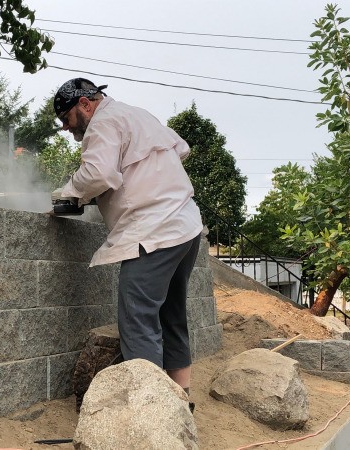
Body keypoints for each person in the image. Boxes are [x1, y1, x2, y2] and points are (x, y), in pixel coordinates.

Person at [53, 78, 204, 407]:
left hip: (154, 231)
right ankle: (181, 397)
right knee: (171, 314)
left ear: (85, 104)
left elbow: (96, 173)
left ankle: (150, 409)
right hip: (185, 226)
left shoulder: (102, 123)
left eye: (66, 118)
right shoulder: (136, 114)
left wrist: (68, 193)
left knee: (137, 316)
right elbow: (181, 150)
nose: (65, 127)